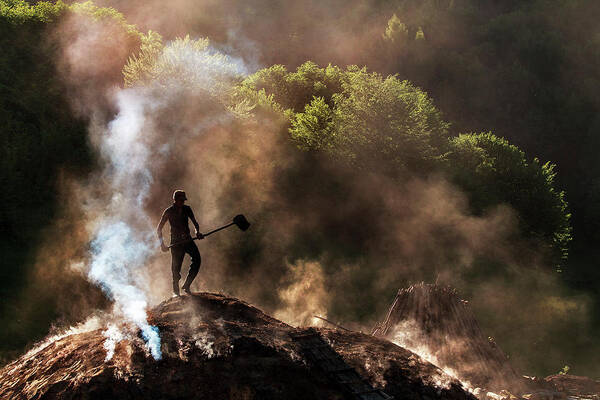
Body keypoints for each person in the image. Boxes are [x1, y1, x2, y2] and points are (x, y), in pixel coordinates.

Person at [157, 190, 204, 296]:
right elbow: (159, 229)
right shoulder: (168, 211)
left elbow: (195, 222)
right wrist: (162, 244)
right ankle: (176, 292)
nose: (182, 202)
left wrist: (197, 232)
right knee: (176, 269)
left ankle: (187, 285)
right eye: (180, 200)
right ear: (175, 200)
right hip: (176, 243)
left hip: (187, 240)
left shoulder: (187, 209)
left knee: (197, 259)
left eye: (183, 200)